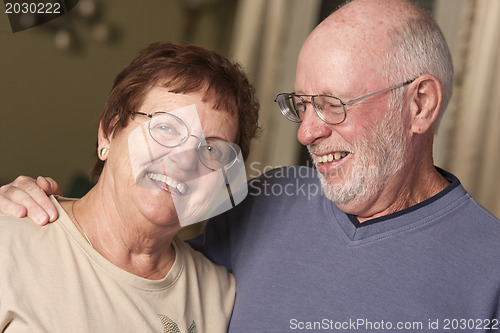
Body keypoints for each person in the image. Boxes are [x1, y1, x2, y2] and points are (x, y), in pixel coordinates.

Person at [1, 0, 500, 332]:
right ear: (108, 130)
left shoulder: (490, 274)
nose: (305, 133)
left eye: (332, 103)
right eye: (302, 106)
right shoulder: (272, 199)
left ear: (420, 105)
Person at [0, 40, 260, 332]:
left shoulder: (220, 296)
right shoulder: (8, 244)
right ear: (108, 133)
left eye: (212, 151)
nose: (185, 162)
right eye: (166, 128)